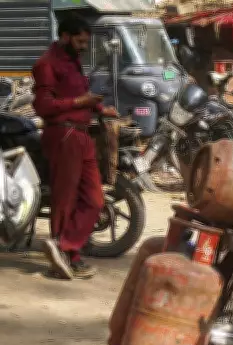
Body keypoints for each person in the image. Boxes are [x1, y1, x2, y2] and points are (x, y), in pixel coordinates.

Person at [32, 16, 119, 280]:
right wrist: (83, 100)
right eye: (80, 41)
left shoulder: (73, 62)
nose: (83, 46)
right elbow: (43, 106)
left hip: (82, 135)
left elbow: (80, 98)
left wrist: (101, 108)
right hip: (63, 135)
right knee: (65, 200)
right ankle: (70, 257)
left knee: (94, 200)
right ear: (66, 36)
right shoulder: (46, 64)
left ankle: (63, 247)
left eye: (86, 41)